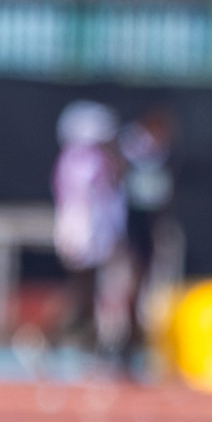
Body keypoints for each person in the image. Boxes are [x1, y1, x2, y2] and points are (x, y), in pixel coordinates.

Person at [51, 101, 126, 354]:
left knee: (89, 290)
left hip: (88, 233)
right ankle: (56, 338)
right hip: (86, 234)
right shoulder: (86, 160)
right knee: (84, 289)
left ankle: (87, 340)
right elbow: (92, 202)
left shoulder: (73, 159)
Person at [117, 106, 178, 377]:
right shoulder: (133, 147)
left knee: (145, 283)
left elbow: (162, 192)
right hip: (132, 220)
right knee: (132, 282)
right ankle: (127, 344)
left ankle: (136, 343)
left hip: (150, 222)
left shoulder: (164, 155)